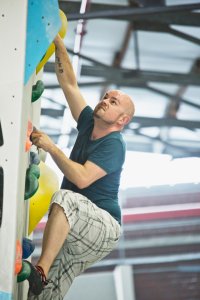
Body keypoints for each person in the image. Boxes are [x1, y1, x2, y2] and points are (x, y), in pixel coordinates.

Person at [27, 34, 135, 299]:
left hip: (103, 228)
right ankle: (42, 280)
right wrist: (59, 43)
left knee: (66, 197)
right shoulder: (89, 121)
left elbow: (83, 178)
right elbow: (69, 83)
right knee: (44, 294)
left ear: (121, 120)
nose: (105, 100)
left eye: (113, 102)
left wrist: (51, 147)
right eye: (106, 96)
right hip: (77, 227)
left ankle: (40, 268)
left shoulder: (115, 144)